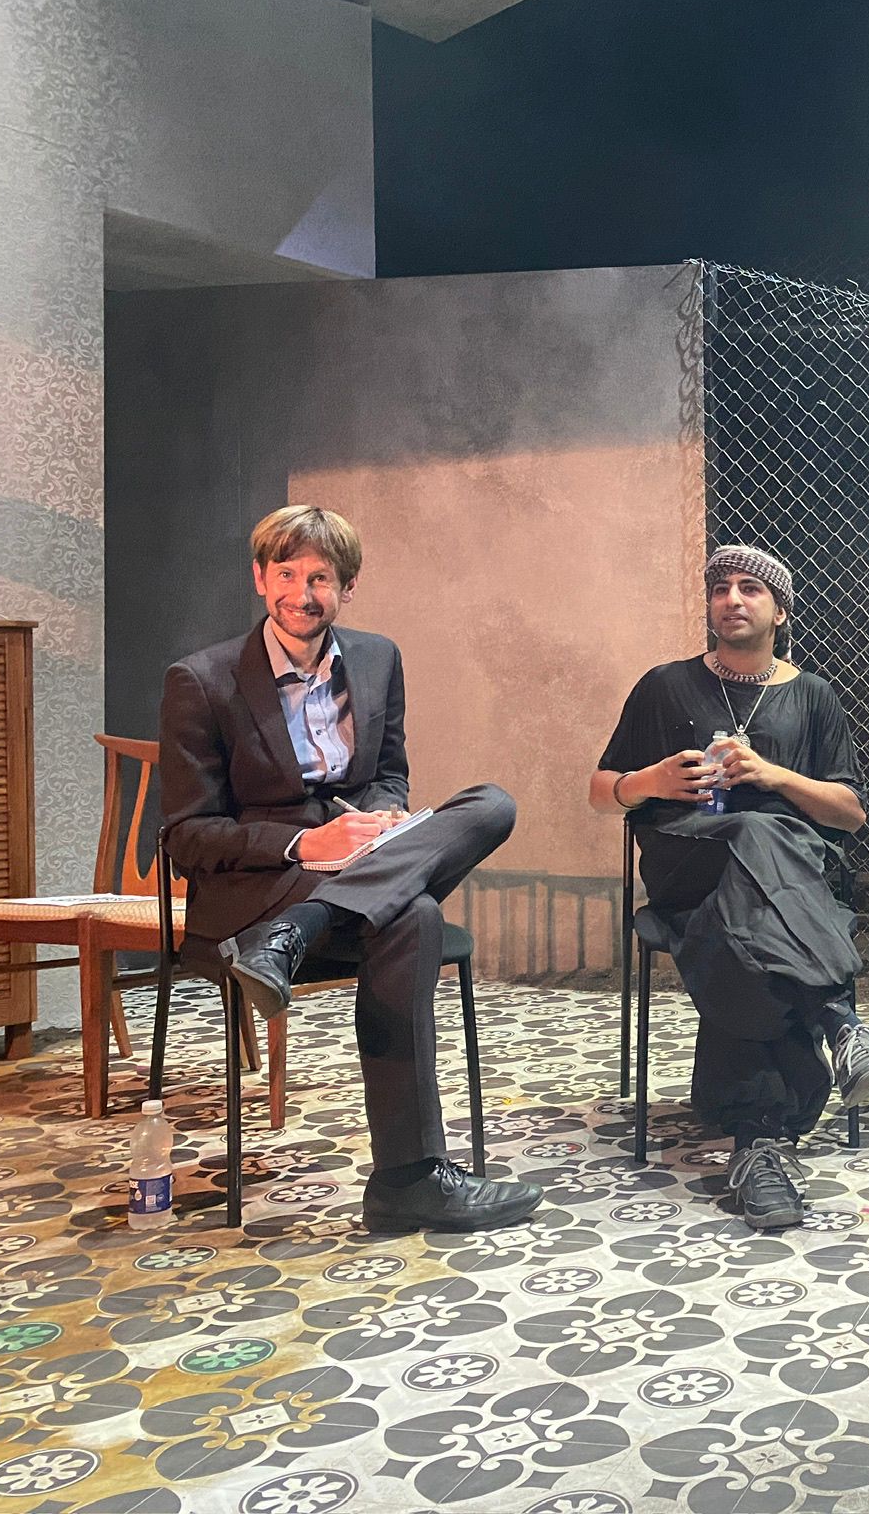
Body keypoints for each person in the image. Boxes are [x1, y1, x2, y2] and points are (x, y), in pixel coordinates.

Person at [160, 506, 542, 1235]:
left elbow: (389, 774)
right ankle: (409, 1177)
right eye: (287, 575)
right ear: (259, 577)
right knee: (416, 914)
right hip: (253, 893)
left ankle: (303, 931)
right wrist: (306, 846)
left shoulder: (377, 659)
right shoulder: (202, 681)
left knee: (492, 803)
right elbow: (187, 837)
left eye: (322, 578)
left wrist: (387, 819)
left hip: (348, 877)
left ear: (348, 586)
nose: (303, 594)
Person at [589, 544, 869, 1231]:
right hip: (685, 869)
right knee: (759, 841)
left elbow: (850, 811)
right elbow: (600, 792)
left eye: (750, 588)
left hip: (773, 900)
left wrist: (773, 776)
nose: (732, 598)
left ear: (779, 611)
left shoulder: (813, 696)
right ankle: (836, 1020)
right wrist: (653, 783)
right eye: (720, 587)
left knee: (749, 916)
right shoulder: (664, 686)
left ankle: (756, 1143)